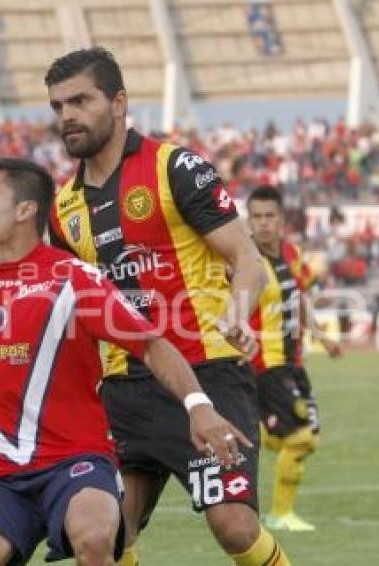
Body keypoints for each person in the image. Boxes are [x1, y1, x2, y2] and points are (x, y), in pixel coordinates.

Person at [0, 158, 250, 566]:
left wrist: (198, 406)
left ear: (25, 210)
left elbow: (152, 344)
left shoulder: (72, 278)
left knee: (96, 532)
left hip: (74, 462)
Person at [45, 48, 288, 566]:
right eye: (58, 105)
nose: (67, 115)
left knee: (234, 526)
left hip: (206, 372)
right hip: (123, 388)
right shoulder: (63, 209)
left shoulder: (175, 168)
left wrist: (236, 311)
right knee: (102, 536)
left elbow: (247, 257)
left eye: (80, 100)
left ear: (118, 103)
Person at [246, 185, 342, 531]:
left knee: (307, 439)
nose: (264, 223)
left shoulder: (292, 253)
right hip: (265, 364)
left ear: (282, 220)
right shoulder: (243, 261)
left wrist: (320, 335)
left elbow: (298, 299)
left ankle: (255, 426)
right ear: (248, 221)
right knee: (300, 436)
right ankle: (279, 514)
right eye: (257, 217)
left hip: (294, 363)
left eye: (270, 216)